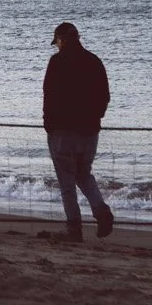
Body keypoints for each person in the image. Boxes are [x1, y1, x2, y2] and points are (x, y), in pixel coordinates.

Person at [43, 21, 113, 240]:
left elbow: (49, 95)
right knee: (83, 174)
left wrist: (49, 125)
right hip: (89, 131)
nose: (57, 46)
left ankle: (74, 228)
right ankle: (101, 211)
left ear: (61, 41)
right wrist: (95, 118)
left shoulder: (56, 62)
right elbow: (105, 97)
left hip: (62, 131)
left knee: (66, 180)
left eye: (58, 42)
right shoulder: (94, 61)